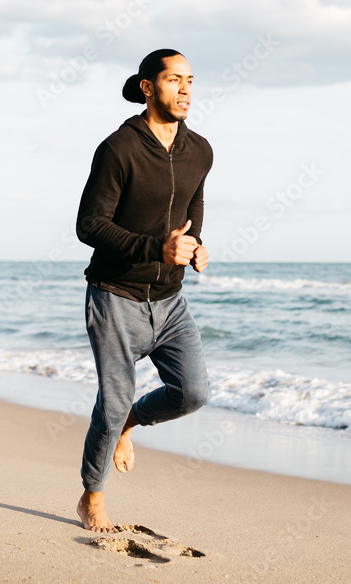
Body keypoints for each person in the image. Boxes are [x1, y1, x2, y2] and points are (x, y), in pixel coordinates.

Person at [74, 48, 214, 532]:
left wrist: (195, 249)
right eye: (175, 80)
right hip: (115, 296)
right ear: (148, 87)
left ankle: (128, 424)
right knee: (111, 403)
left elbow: (192, 213)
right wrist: (158, 247)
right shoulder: (119, 148)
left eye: (190, 80)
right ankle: (92, 497)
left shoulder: (201, 151)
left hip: (170, 302)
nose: (186, 89)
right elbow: (90, 225)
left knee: (192, 393)